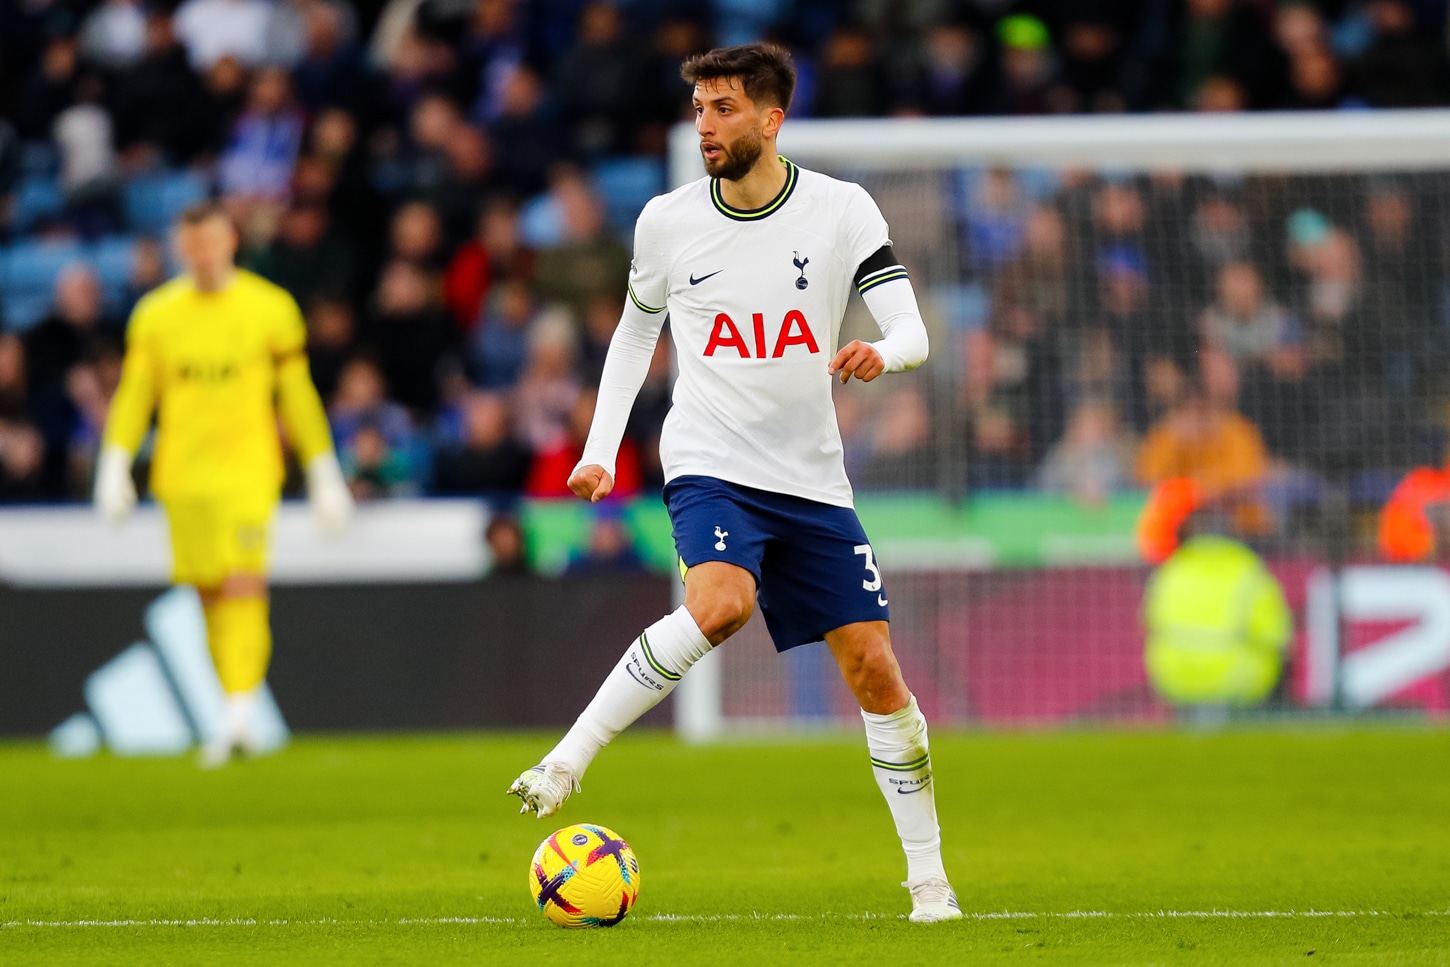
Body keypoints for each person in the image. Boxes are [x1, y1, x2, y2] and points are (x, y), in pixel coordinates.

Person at [506, 43, 957, 923]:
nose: (704, 125)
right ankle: (567, 759)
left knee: (874, 670)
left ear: (769, 119)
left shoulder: (840, 209)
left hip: (812, 478)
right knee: (720, 604)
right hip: (710, 458)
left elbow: (912, 327)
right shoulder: (667, 222)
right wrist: (601, 447)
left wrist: (883, 353)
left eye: (722, 109)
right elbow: (636, 336)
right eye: (700, 108)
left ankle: (929, 880)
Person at [94, 202, 354, 766]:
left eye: (210, 243)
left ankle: (238, 713)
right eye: (191, 246)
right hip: (181, 476)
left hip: (248, 471)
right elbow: (137, 393)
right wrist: (113, 461)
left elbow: (298, 394)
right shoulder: (156, 315)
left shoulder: (270, 308)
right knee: (209, 593)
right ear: (180, 250)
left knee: (242, 583)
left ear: (230, 240)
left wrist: (323, 468)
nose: (202, 255)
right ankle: (233, 710)